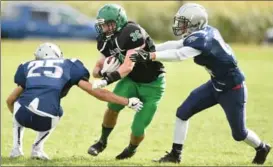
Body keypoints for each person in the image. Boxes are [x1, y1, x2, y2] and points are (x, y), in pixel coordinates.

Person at [129, 3, 271, 165]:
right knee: (183, 112)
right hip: (215, 83)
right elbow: (176, 45)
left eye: (184, 22)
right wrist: (150, 50)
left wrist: (151, 56)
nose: (180, 25)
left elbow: (179, 55)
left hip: (233, 89)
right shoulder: (202, 33)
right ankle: (175, 155)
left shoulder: (203, 39)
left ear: (196, 23)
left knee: (239, 134)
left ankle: (262, 147)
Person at [7, 42, 143, 160]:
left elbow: (10, 100)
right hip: (47, 119)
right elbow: (97, 92)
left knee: (21, 102)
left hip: (22, 114)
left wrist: (18, 117)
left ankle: (16, 149)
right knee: (58, 110)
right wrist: (127, 101)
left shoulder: (27, 66)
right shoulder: (70, 65)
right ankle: (37, 148)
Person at [87, 4, 166, 160]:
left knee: (138, 128)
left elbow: (127, 66)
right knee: (112, 106)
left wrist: (105, 81)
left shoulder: (133, 32)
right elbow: (101, 62)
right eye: (103, 24)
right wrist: (98, 71)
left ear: (119, 21)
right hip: (131, 81)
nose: (105, 28)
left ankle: (131, 149)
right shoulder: (105, 38)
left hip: (153, 84)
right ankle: (102, 142)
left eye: (109, 24)